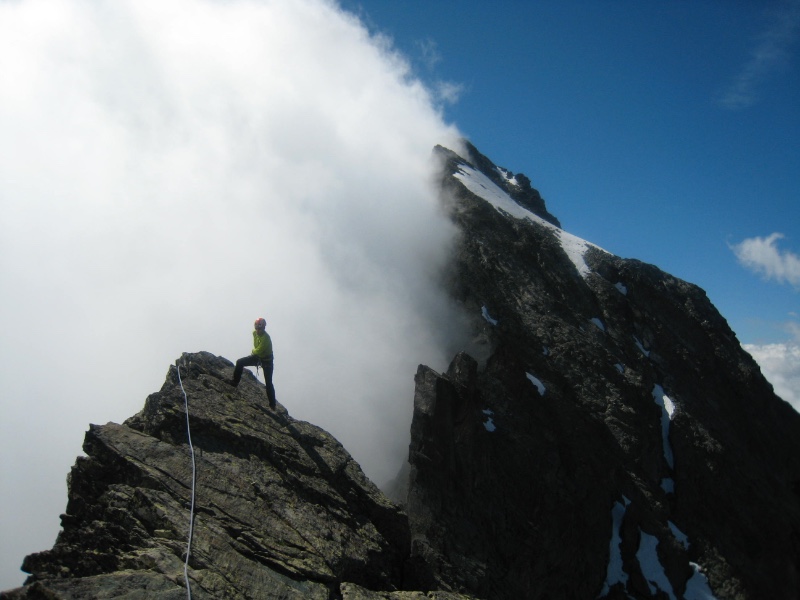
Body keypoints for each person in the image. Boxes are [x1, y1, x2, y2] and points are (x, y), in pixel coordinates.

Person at [231, 317, 276, 409]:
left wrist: (253, 352)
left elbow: (258, 350)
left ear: (263, 328)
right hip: (259, 358)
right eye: (257, 328)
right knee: (239, 362)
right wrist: (254, 353)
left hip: (267, 362)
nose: (258, 331)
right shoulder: (254, 333)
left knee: (268, 383)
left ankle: (272, 405)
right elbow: (257, 348)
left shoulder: (266, 338)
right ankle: (235, 382)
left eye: (260, 329)